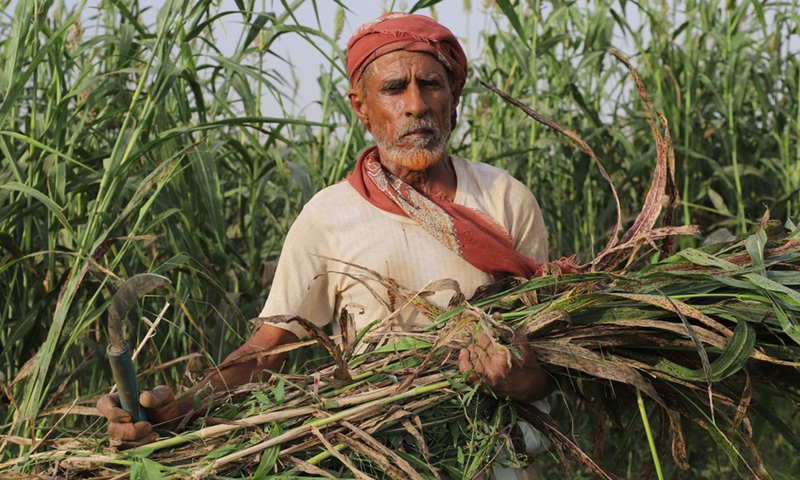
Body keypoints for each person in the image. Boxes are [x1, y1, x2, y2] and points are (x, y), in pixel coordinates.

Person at [98, 12, 563, 478]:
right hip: (383, 455)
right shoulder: (329, 218)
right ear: (361, 107)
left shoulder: (504, 199)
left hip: (497, 458)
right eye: (394, 89)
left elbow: (556, 355)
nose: (416, 105)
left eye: (432, 85)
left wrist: (523, 379)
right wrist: (180, 409)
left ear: (454, 97)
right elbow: (266, 353)